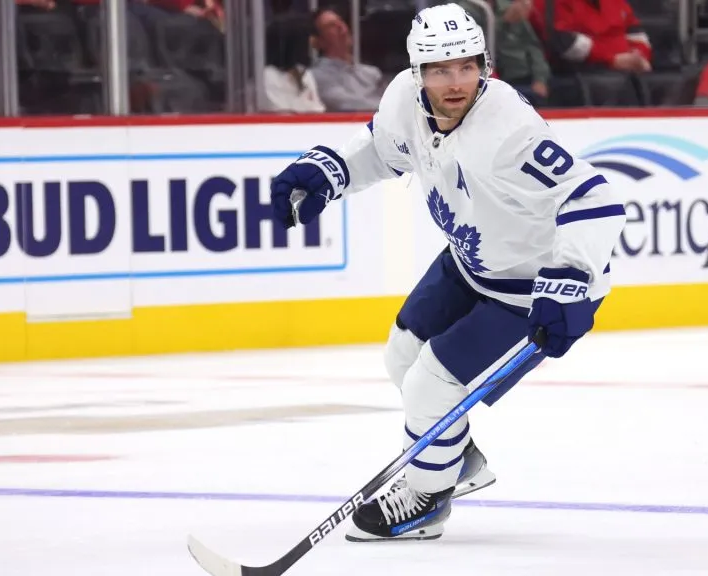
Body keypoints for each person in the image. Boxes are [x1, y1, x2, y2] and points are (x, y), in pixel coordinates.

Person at [268, 3, 625, 542]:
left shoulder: (509, 132)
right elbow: (383, 149)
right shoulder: (403, 101)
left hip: (533, 289)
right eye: (439, 69)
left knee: (432, 386)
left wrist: (569, 281)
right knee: (402, 356)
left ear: (484, 63)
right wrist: (329, 171)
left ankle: (426, 497)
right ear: (417, 74)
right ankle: (452, 460)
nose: (456, 82)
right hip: (471, 265)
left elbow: (593, 200)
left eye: (467, 66)